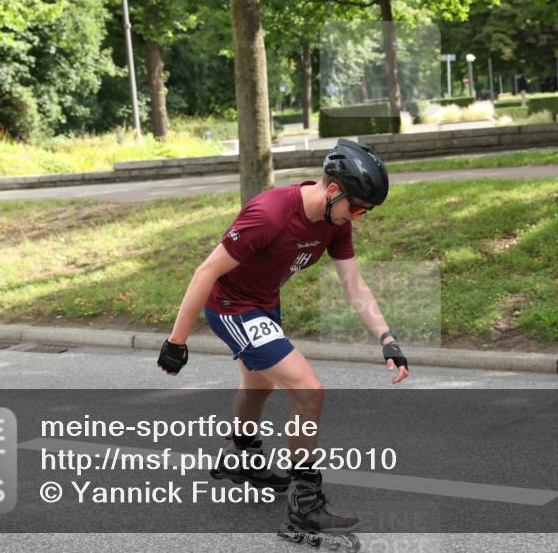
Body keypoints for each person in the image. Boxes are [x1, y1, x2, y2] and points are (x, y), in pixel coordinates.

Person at [157, 138, 409, 541]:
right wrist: (177, 341)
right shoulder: (270, 214)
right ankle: (305, 505)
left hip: (264, 304)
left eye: (366, 211)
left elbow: (354, 285)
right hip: (232, 306)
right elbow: (205, 272)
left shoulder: (334, 222)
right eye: (357, 207)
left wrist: (387, 337)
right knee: (309, 389)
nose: (358, 217)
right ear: (332, 190)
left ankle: (245, 454)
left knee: (258, 385)